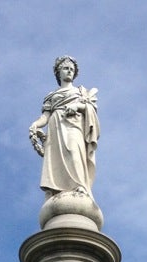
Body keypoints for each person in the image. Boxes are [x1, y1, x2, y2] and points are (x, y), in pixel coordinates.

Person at [28, 55, 99, 198]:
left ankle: (80, 185)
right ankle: (57, 190)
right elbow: (45, 117)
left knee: (74, 151)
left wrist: (77, 105)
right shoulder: (51, 95)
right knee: (56, 161)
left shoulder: (80, 92)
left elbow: (91, 108)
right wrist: (36, 124)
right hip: (56, 128)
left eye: (72, 69)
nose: (69, 71)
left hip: (73, 125)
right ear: (58, 72)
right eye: (66, 68)